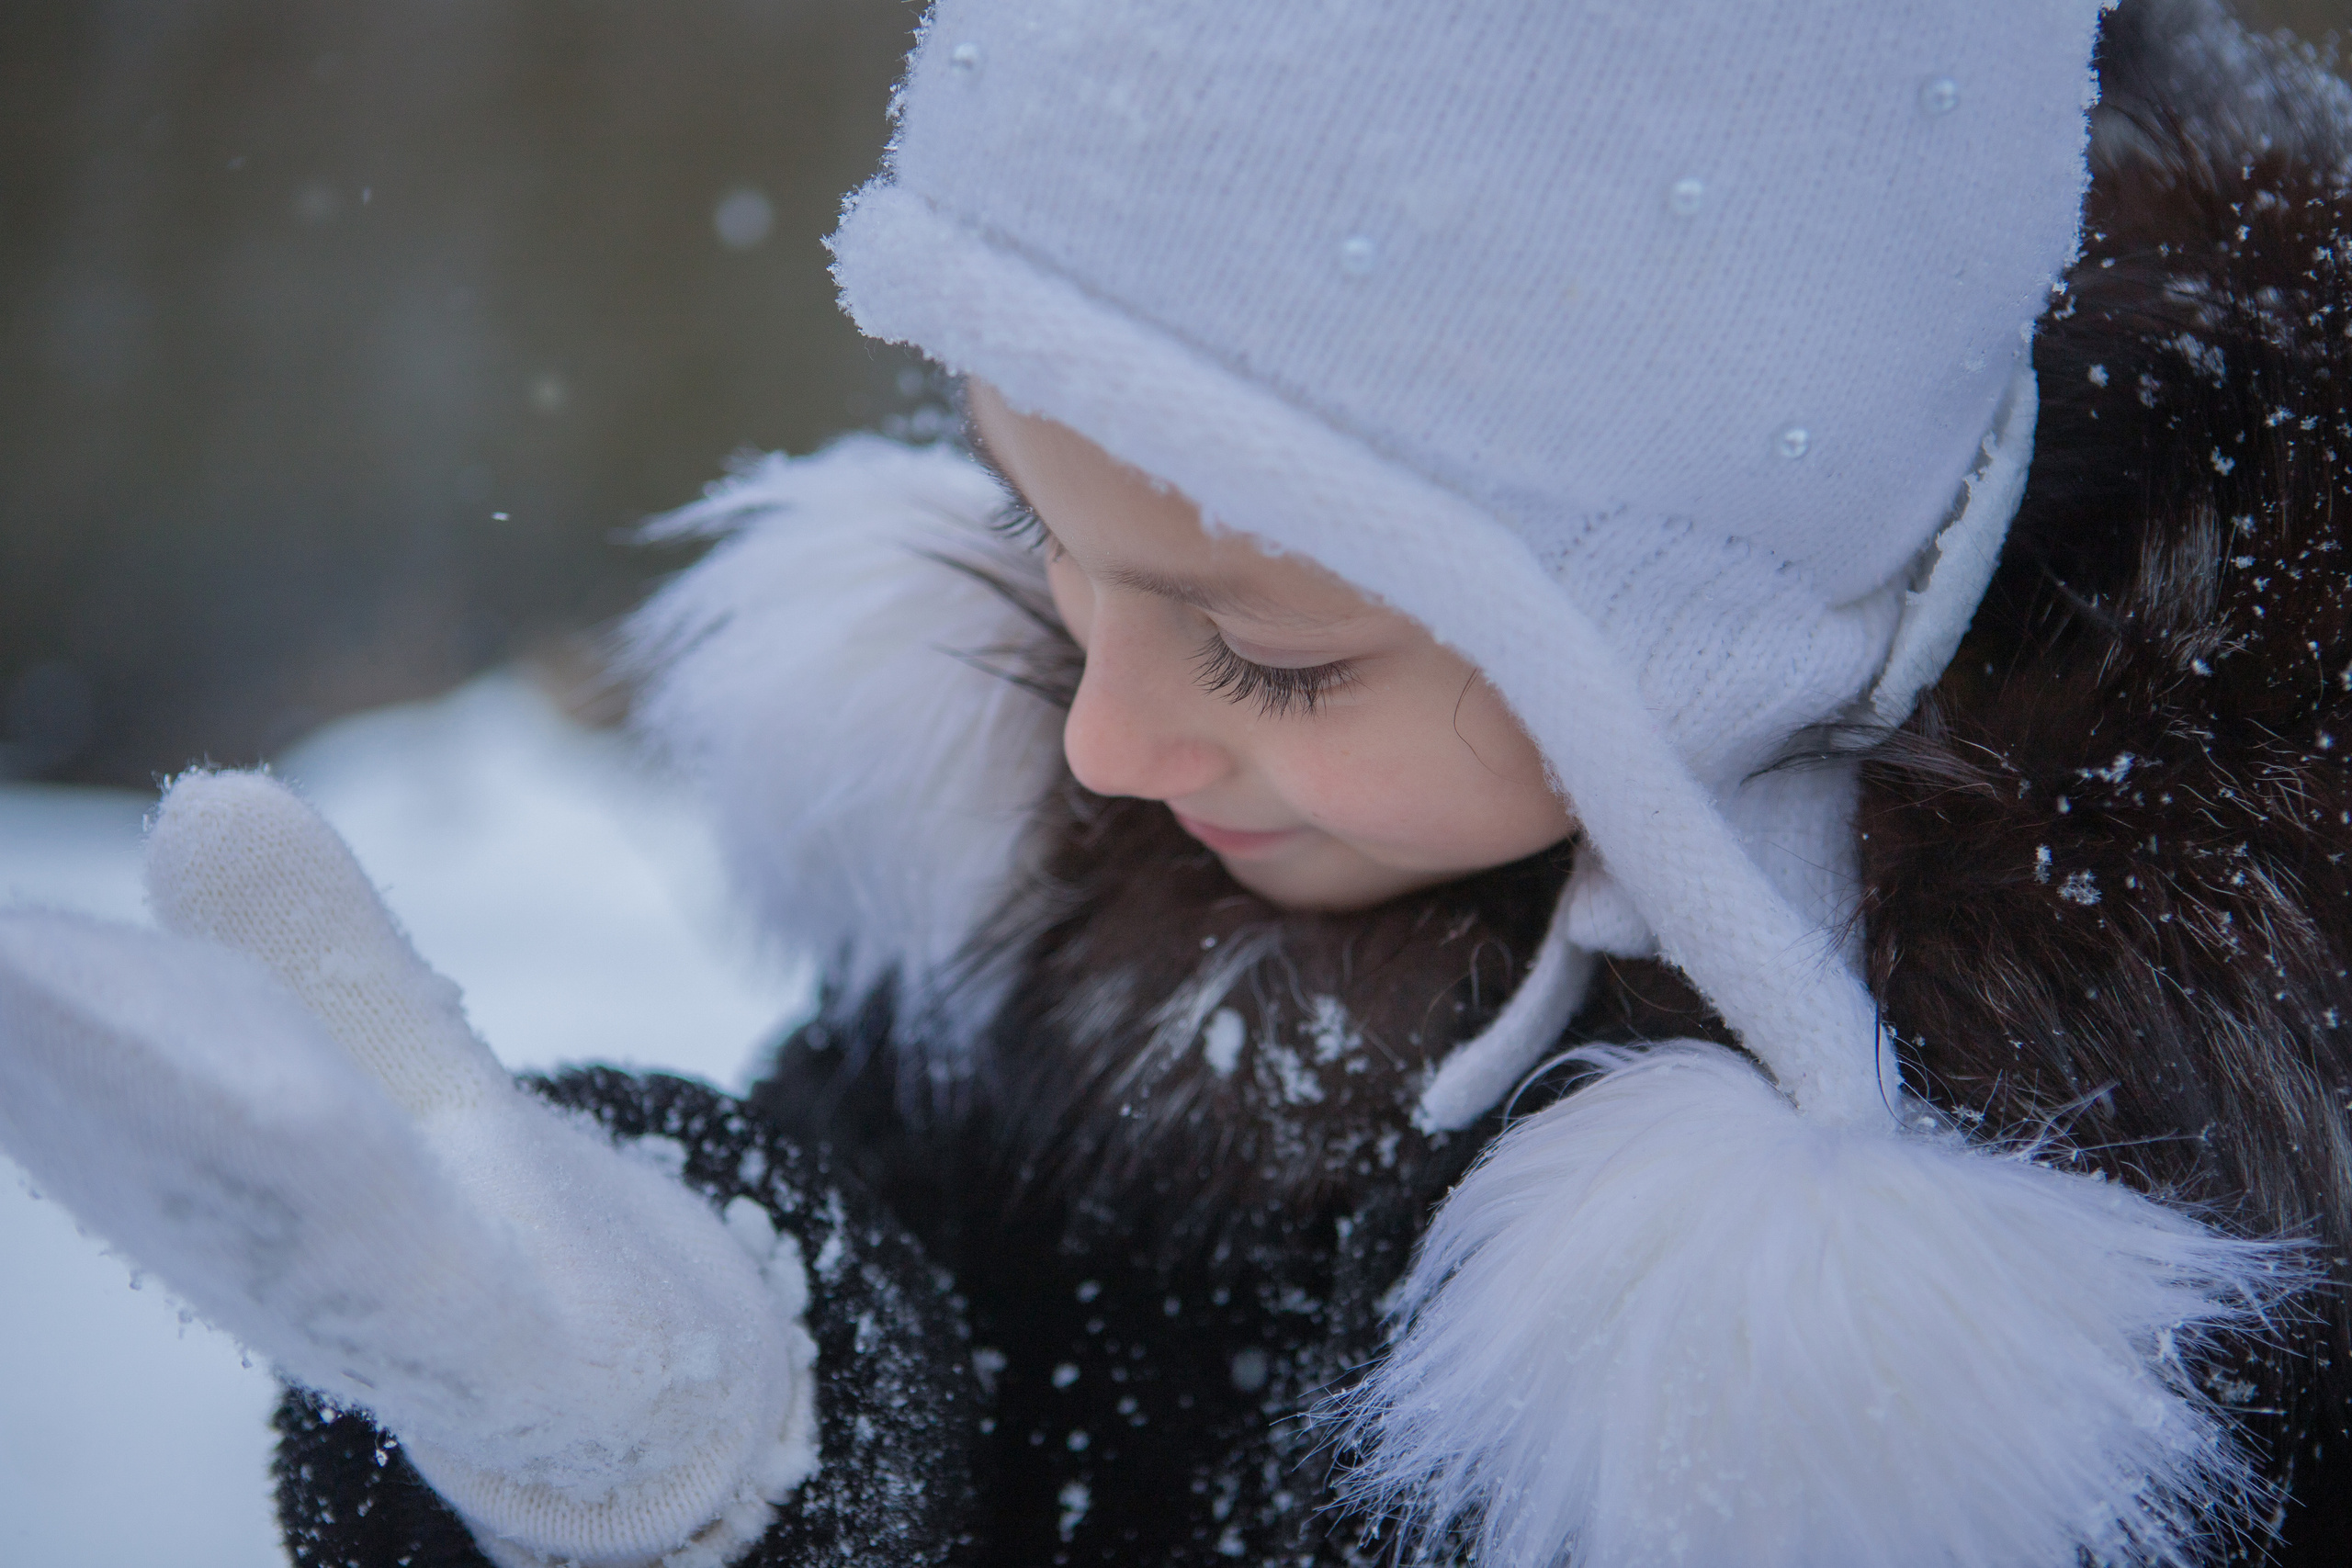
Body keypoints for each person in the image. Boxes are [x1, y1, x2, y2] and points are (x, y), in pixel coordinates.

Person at [4, 0, 2351, 1563]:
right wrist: (716, 1388)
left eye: (1264, 650)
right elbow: (958, 1284)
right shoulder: (1110, 864)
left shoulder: (2205, 1182)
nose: (1103, 736)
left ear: (1711, 613)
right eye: (1043, 536)